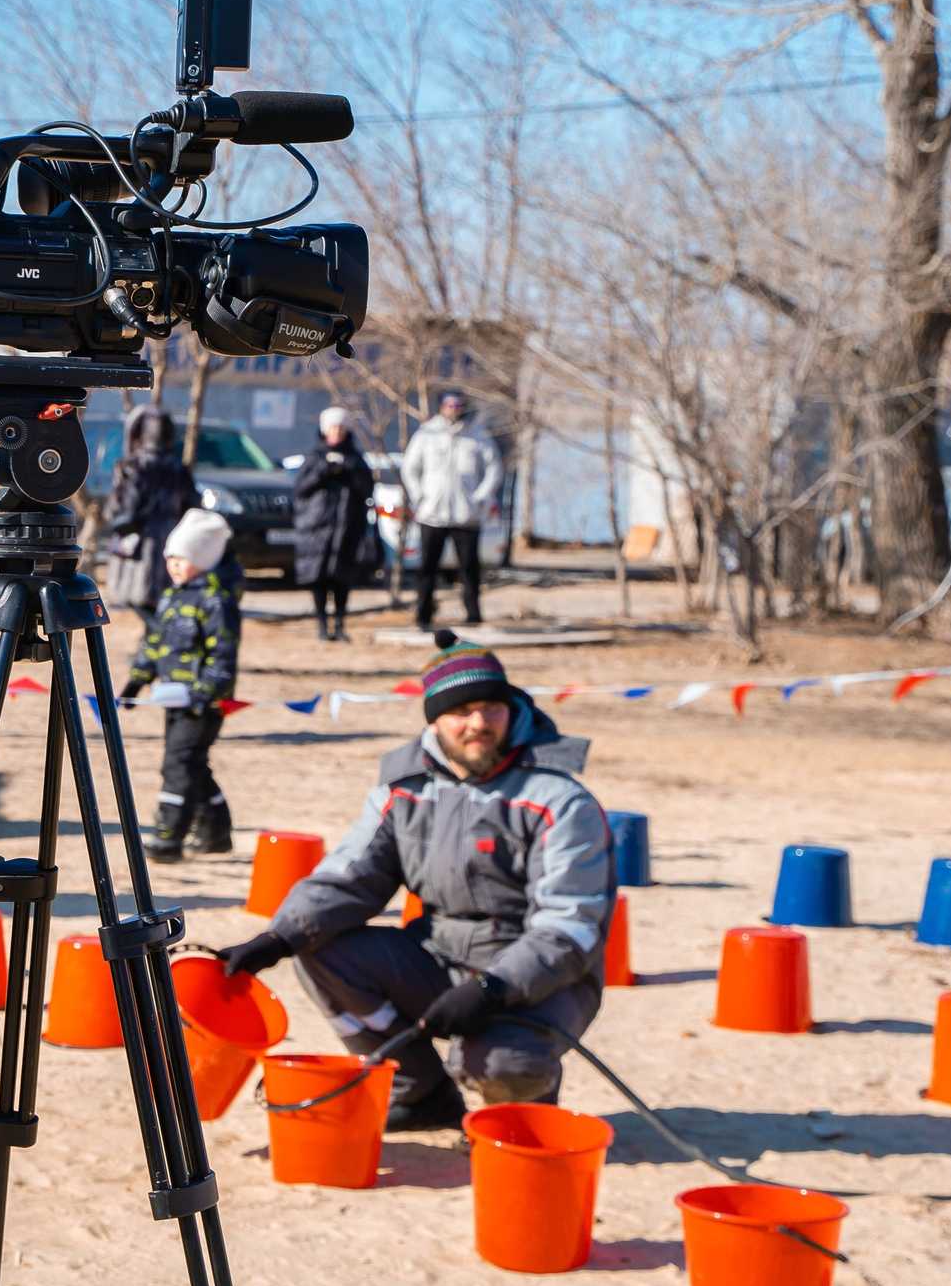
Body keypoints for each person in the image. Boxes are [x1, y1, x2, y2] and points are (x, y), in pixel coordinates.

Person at [213, 633, 611, 1130]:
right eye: (460, 711)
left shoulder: (560, 800)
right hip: (441, 957)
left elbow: (568, 926)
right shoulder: (403, 791)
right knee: (322, 952)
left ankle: (520, 1116)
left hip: (547, 978)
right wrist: (277, 938)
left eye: (491, 707)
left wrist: (492, 987)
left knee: (499, 1064)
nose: (478, 724)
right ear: (434, 719)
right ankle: (421, 1092)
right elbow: (349, 875)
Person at [121, 508, 242, 861]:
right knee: (192, 764)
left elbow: (223, 655)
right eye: (171, 557)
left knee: (178, 763)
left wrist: (204, 694)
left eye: (184, 558)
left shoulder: (216, 601)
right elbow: (154, 643)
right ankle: (216, 832)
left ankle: (167, 836)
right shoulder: (172, 599)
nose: (175, 564)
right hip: (173, 699)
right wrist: (136, 682)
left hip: (204, 703)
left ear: (205, 559)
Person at [398, 390, 502, 629]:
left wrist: (480, 497)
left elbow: (494, 468)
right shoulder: (427, 433)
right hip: (431, 514)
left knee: (469, 569)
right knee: (427, 568)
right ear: (441, 406)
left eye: (457, 404)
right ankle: (423, 615)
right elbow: (410, 468)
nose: (452, 408)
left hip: (466, 516)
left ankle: (473, 616)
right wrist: (419, 496)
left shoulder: (477, 434)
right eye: (448, 404)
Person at [103, 406, 198, 618]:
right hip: (172, 542)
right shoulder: (178, 467)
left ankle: (156, 642)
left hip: (140, 543)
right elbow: (192, 505)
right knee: (160, 603)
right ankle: (153, 643)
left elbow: (125, 505)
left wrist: (113, 513)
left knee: (136, 599)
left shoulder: (135, 464)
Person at [293, 405, 376, 641]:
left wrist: (349, 473)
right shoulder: (313, 457)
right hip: (317, 529)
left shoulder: (356, 459)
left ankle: (339, 625)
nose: (337, 432)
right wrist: (323, 473)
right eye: (332, 428)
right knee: (319, 578)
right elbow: (300, 490)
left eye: (340, 427)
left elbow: (367, 490)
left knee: (342, 578)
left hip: (348, 529)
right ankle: (321, 626)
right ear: (324, 430)